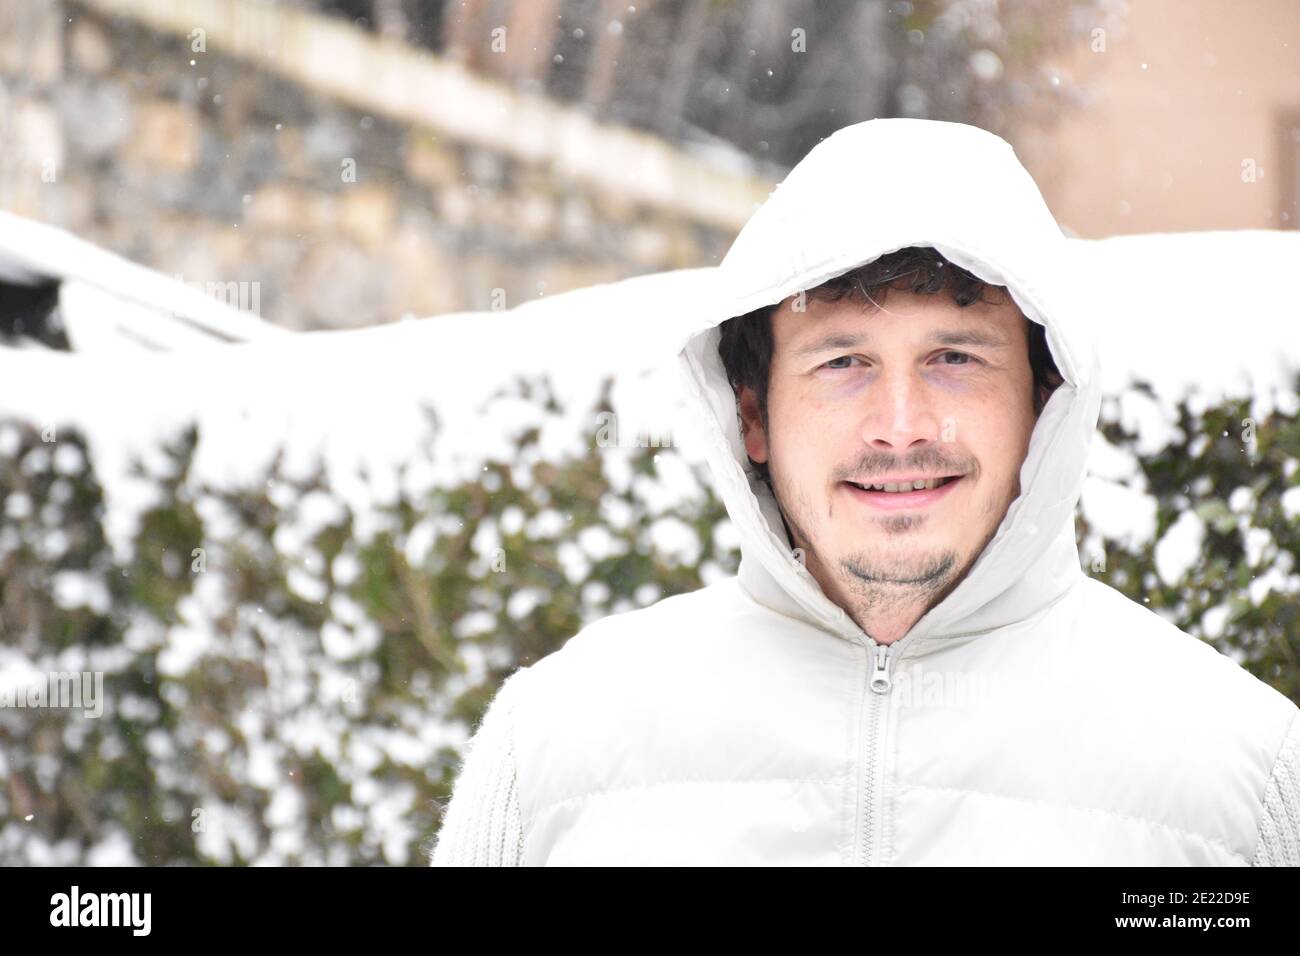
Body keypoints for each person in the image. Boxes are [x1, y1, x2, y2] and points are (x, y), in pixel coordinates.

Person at [430, 118, 1300, 865]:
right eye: (843, 362)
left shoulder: (1241, 780)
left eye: (955, 358)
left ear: (1043, 401)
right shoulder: (552, 751)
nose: (901, 425)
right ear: (752, 417)